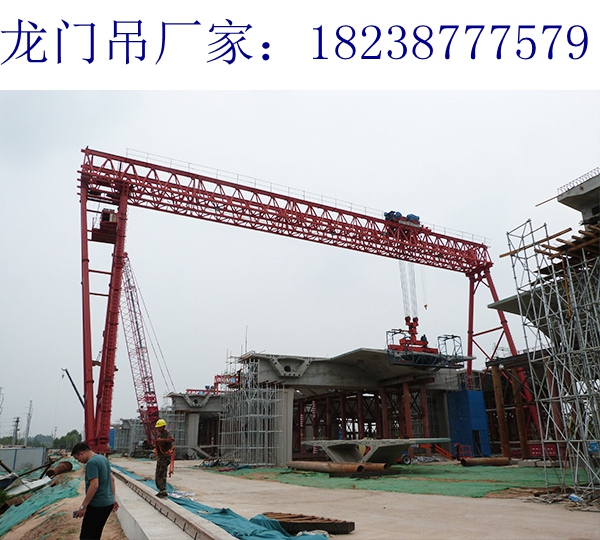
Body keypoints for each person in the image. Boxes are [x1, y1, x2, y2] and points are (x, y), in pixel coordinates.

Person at [71, 442, 119, 540]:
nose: (78, 461)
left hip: (97, 505)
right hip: (108, 504)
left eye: (77, 458)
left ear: (81, 454)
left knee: (86, 536)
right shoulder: (103, 459)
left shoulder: (91, 463)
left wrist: (83, 507)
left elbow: (94, 485)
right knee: (96, 534)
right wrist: (112, 499)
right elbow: (112, 479)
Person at [154, 418, 175, 498]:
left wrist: (162, 440)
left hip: (165, 457)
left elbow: (172, 439)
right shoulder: (160, 435)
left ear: (163, 427)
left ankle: (163, 490)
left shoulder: (167, 433)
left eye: (159, 427)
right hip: (160, 457)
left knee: (161, 474)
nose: (158, 429)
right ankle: (160, 490)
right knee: (157, 474)